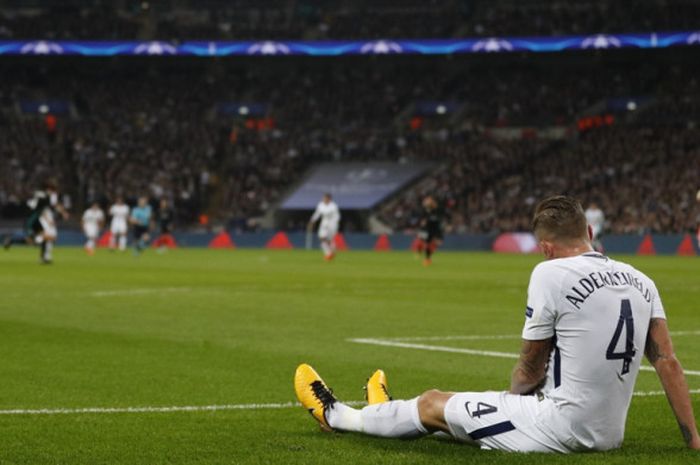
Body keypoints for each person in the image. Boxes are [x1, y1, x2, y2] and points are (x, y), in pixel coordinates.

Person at [294, 195, 700, 452]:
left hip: (561, 429)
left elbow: (530, 365)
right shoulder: (642, 280)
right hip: (610, 435)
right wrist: (693, 439)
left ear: (544, 248)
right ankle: (388, 413)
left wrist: (516, 402)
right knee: (462, 418)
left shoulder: (550, 274)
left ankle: (337, 416)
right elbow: (667, 362)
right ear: (590, 232)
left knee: (434, 401)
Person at [21, 179, 69, 264]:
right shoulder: (46, 197)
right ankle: (24, 241)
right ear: (49, 189)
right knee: (48, 237)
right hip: (33, 217)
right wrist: (49, 219)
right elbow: (45, 208)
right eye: (53, 191)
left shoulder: (39, 193)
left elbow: (32, 203)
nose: (53, 193)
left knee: (46, 237)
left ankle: (44, 257)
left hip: (32, 216)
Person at [308, 193, 340, 261]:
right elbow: (317, 214)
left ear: (329, 199)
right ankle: (329, 253)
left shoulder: (333, 206)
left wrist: (335, 224)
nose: (324, 199)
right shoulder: (320, 205)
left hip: (332, 223)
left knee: (328, 239)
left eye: (326, 198)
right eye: (324, 198)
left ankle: (331, 251)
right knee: (322, 237)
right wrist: (312, 221)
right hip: (324, 222)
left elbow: (337, 216)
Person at [414, 196, 446, 266]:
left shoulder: (438, 209)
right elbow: (422, 219)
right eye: (427, 201)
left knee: (437, 243)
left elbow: (441, 217)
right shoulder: (425, 210)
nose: (427, 203)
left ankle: (427, 254)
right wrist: (423, 222)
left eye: (429, 201)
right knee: (423, 243)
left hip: (436, 229)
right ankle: (427, 258)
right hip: (427, 229)